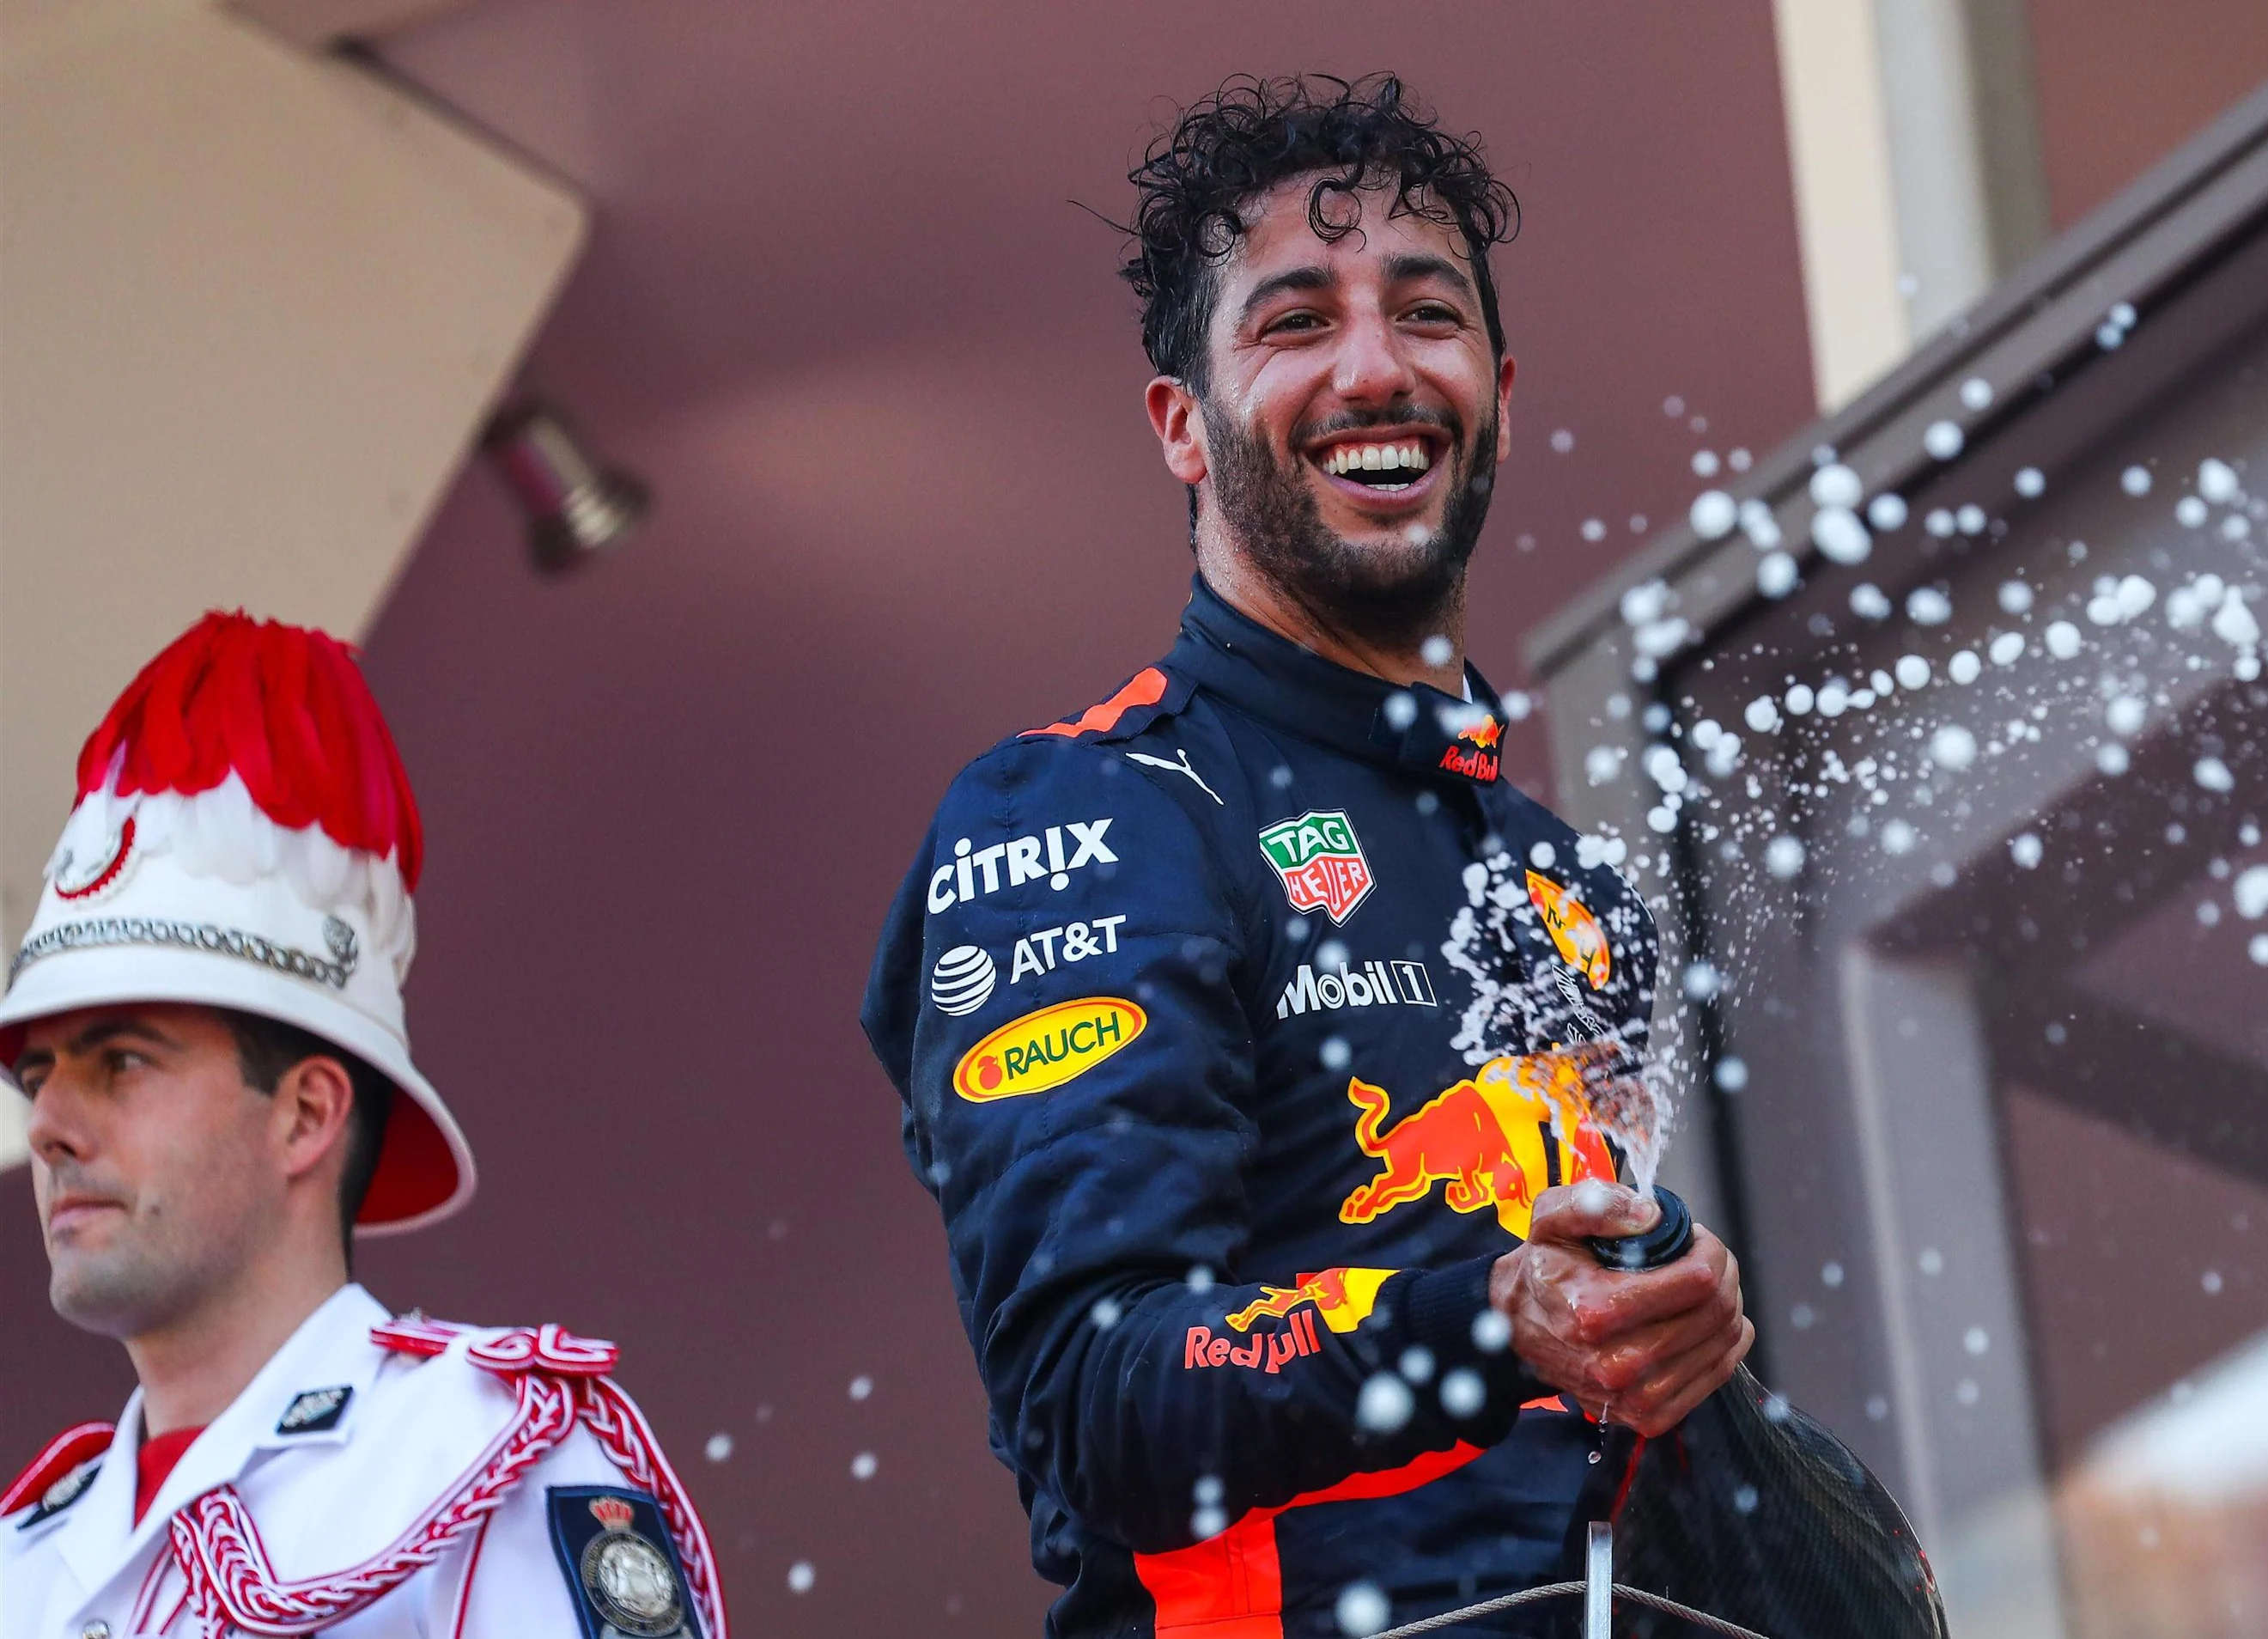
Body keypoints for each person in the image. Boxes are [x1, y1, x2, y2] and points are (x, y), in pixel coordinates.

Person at [861, 75, 1750, 1635]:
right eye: (1291, 324)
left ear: (1500, 387)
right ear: (1181, 428)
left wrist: (1677, 1328)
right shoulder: (1089, 816)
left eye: (1425, 314)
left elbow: (1582, 1450)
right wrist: (1492, 1322)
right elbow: (1093, 1397)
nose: (1372, 367)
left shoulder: (1573, 894)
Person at [2, 613, 727, 1639]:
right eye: (39, 1075)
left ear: (305, 1116)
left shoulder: (480, 1456)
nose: (51, 1126)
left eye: (122, 1062)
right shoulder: (23, 1554)